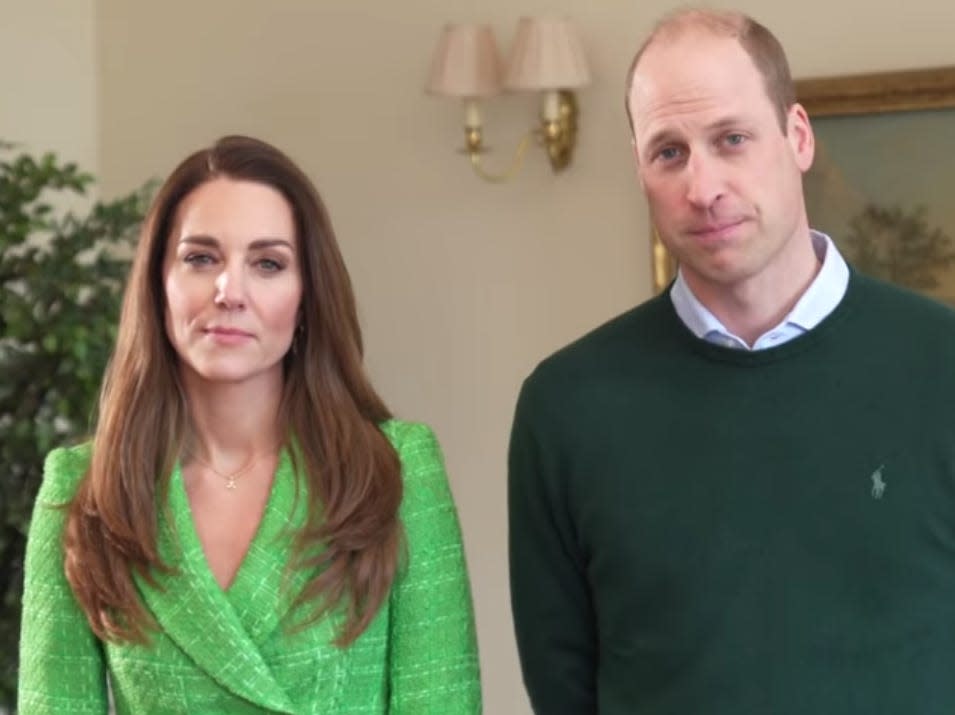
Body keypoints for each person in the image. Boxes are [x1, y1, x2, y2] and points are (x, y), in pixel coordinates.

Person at [509, 8, 955, 714]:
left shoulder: (941, 363)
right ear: (639, 168)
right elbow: (563, 688)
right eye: (668, 152)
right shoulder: (565, 406)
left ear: (797, 137)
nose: (702, 186)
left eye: (731, 139)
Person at [18, 135, 481, 714]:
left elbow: (440, 702)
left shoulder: (393, 469)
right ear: (158, 286)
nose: (229, 292)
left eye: (267, 263)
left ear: (307, 296)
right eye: (201, 258)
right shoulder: (85, 489)